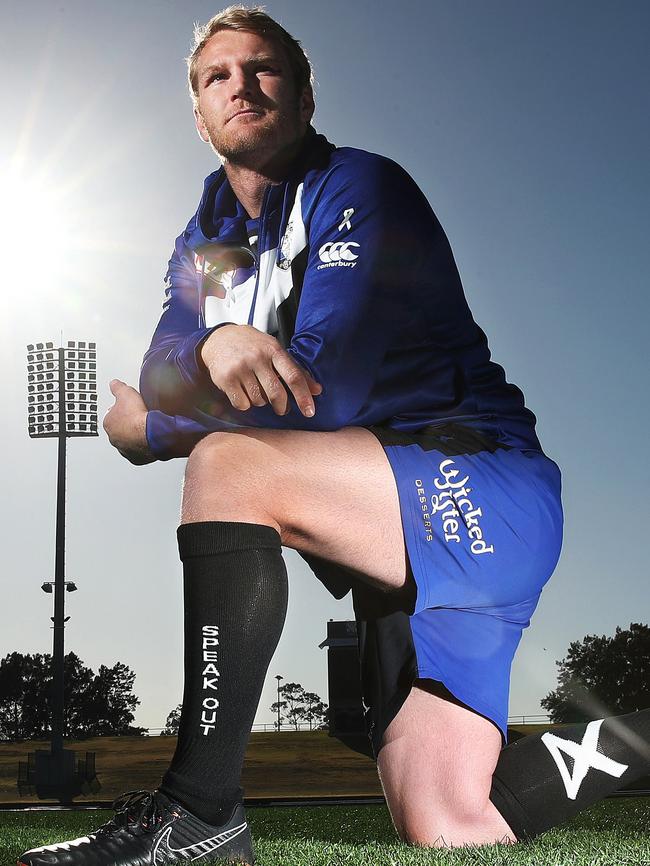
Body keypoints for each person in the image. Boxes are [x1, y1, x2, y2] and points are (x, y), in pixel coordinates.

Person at [19, 6, 650, 866]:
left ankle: (202, 814)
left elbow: (325, 391)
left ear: (306, 94)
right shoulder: (208, 242)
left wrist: (153, 428)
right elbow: (163, 359)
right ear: (198, 115)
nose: (240, 84)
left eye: (264, 68)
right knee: (448, 824)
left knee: (229, 466)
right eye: (216, 76)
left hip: (481, 489)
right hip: (388, 530)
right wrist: (213, 341)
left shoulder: (361, 187)